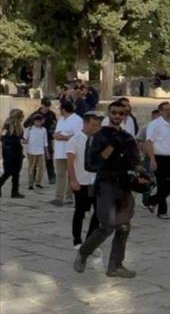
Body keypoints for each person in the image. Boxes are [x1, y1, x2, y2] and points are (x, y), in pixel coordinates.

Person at [74, 100, 147, 278]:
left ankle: (115, 266)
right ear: (109, 114)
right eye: (114, 113)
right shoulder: (98, 137)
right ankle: (84, 252)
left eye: (121, 114)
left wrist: (144, 174)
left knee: (123, 226)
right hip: (105, 184)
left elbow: (135, 162)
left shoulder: (128, 138)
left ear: (125, 116)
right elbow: (92, 164)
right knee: (108, 225)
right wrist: (111, 146)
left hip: (124, 185)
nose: (117, 116)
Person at [67, 112, 102, 248]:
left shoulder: (99, 140)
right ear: (85, 124)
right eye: (93, 125)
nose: (95, 128)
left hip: (96, 181)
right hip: (81, 180)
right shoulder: (74, 140)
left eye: (97, 125)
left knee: (98, 211)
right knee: (80, 210)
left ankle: (90, 239)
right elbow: (70, 162)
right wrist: (73, 180)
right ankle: (77, 239)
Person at [145, 102, 170, 219]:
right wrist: (152, 159)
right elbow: (149, 141)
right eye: (166, 110)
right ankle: (162, 211)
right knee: (162, 184)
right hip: (159, 157)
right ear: (160, 111)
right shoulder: (154, 124)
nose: (168, 111)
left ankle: (151, 200)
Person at [52, 100, 82, 206]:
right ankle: (58, 197)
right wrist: (56, 135)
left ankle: (69, 197)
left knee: (70, 174)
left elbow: (78, 136)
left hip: (70, 151)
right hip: (59, 151)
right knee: (60, 174)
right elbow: (57, 132)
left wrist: (64, 137)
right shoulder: (61, 120)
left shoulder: (77, 120)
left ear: (63, 109)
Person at [24, 98, 57, 185]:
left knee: (49, 158)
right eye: (46, 105)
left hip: (48, 139)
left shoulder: (51, 114)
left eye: (49, 106)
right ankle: (33, 178)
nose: (47, 107)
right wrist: (36, 126)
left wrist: (51, 130)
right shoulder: (35, 114)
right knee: (34, 161)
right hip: (35, 142)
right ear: (42, 105)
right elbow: (26, 124)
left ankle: (52, 177)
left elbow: (55, 124)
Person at [0, 109, 26, 198]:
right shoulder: (7, 125)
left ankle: (15, 192)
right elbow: (3, 138)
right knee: (8, 171)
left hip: (17, 151)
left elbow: (20, 137)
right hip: (9, 151)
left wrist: (22, 140)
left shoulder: (19, 126)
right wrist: (16, 141)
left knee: (16, 172)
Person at [23, 114, 48, 189]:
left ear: (42, 122)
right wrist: (25, 142)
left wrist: (47, 152)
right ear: (34, 121)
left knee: (42, 167)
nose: (38, 123)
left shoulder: (44, 130)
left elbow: (45, 142)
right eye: (36, 121)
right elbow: (24, 140)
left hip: (41, 151)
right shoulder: (29, 129)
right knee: (31, 168)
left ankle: (38, 182)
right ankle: (30, 184)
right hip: (31, 151)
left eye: (39, 122)